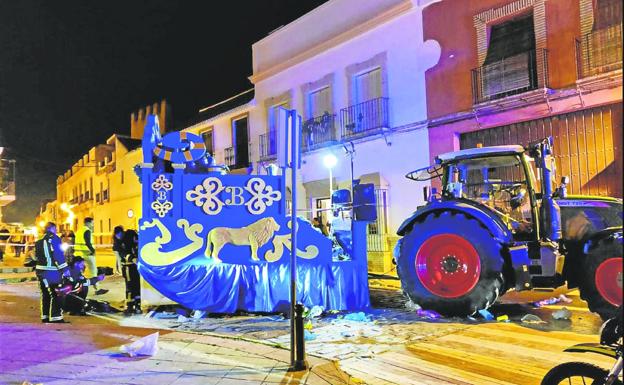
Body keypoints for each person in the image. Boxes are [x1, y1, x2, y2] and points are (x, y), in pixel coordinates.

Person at [35, 222, 71, 323]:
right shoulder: (55, 238)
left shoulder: (39, 239)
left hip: (40, 270)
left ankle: (45, 316)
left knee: (45, 294)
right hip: (51, 271)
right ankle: (56, 317)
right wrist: (65, 269)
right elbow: (58, 255)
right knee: (57, 293)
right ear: (53, 228)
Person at [74, 218, 107, 295]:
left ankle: (77, 287)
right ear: (88, 223)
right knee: (93, 271)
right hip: (87, 254)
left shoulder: (79, 231)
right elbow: (88, 243)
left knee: (79, 272)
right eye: (92, 223)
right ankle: (97, 289)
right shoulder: (87, 231)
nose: (93, 225)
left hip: (79, 254)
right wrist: (93, 251)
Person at [121, 229, 141, 314]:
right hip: (128, 268)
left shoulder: (135, 245)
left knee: (137, 286)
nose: (136, 238)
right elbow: (125, 255)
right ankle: (130, 305)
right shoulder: (125, 245)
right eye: (134, 237)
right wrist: (133, 258)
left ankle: (137, 304)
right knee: (130, 287)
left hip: (135, 268)